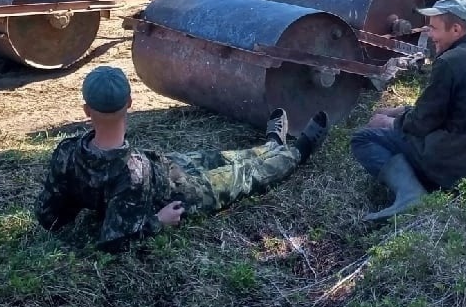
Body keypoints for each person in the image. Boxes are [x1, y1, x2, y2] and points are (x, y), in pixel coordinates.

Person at [36, 65, 329, 251]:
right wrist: (158, 221)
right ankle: (297, 151)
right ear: (129, 104)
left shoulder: (67, 152)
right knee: (245, 175)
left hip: (165, 165)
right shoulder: (130, 174)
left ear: (87, 110)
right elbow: (114, 241)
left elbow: (47, 213)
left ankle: (271, 144)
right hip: (181, 193)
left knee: (222, 157)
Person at [349, 0, 466, 220]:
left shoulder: (449, 61)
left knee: (364, 138)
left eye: (435, 29)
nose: (430, 35)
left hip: (455, 163)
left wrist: (392, 123)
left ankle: (410, 194)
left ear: (456, 30)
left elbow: (421, 123)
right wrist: (403, 110)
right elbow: (450, 111)